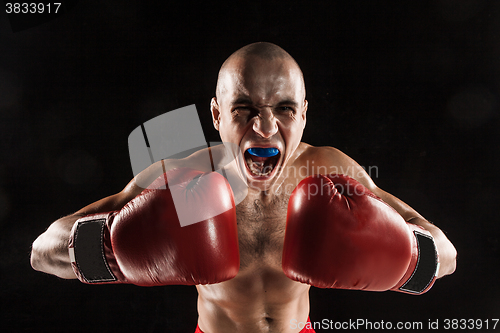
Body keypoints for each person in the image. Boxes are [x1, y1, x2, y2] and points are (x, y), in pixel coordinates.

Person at [31, 42, 457, 333]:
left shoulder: (328, 173)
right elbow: (42, 253)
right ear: (217, 115)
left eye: (284, 109)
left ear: (304, 114)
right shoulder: (183, 181)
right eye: (245, 109)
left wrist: (406, 255)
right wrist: (112, 249)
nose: (265, 127)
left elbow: (447, 255)